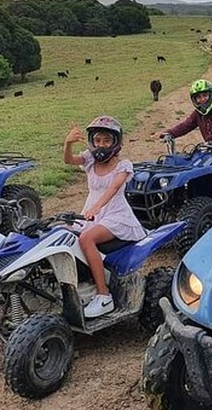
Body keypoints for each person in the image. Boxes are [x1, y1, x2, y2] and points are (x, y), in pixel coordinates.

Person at [64, 116, 146, 318]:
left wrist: (97, 207)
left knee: (86, 238)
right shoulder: (90, 160)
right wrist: (68, 143)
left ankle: (104, 295)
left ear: (116, 142)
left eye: (107, 141)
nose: (101, 145)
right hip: (92, 213)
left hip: (116, 214)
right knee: (63, 234)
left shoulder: (123, 165)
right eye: (98, 140)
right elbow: (69, 160)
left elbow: (113, 188)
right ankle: (78, 284)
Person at [151, 79, 212, 185]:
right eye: (198, 97)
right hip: (211, 150)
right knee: (192, 166)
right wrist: (167, 133)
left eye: (205, 95)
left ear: (211, 95)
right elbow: (185, 126)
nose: (202, 99)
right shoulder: (197, 114)